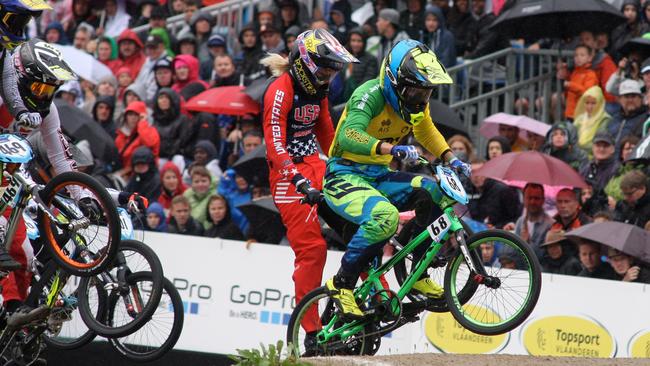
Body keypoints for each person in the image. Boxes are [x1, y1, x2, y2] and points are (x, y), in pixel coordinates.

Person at [322, 39, 472, 320]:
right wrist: (391, 148)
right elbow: (347, 135)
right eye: (414, 91)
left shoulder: (415, 105)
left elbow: (427, 131)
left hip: (379, 175)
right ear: (393, 80)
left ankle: (416, 273)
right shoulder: (370, 95)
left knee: (433, 189)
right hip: (344, 174)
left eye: (425, 93)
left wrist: (451, 158)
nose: (419, 98)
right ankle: (341, 283)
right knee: (384, 216)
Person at [260, 29, 359, 336]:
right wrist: (297, 179)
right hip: (286, 174)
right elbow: (275, 145)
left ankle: (373, 296)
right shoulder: (280, 89)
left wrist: (351, 166)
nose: (331, 73)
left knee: (360, 226)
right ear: (307, 62)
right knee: (313, 249)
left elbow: (327, 133)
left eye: (334, 68)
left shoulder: (319, 89)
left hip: (316, 165)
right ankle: (312, 330)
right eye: (327, 66)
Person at [503, 183, 553, 259]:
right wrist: (508, 236)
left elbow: (544, 257)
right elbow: (511, 252)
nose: (532, 202)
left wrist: (526, 244)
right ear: (523, 199)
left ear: (543, 200)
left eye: (536, 198)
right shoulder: (520, 221)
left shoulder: (550, 224)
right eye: (529, 198)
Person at [556, 44, 599, 120]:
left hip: (583, 114)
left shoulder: (591, 74)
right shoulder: (575, 72)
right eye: (576, 55)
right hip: (571, 112)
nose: (578, 58)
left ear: (589, 58)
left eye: (582, 55)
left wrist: (570, 85)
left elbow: (587, 92)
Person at [606, 79, 648, 147]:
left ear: (641, 98)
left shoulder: (646, 120)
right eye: (626, 96)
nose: (630, 100)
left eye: (633, 96)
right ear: (619, 99)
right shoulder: (614, 119)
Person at [573, 86, 612, 153]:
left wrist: (579, 146)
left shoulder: (605, 119)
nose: (589, 107)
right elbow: (572, 137)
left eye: (593, 103)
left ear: (600, 103)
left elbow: (599, 142)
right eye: (587, 103)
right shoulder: (579, 119)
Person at [420, 5, 456, 69]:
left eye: (434, 20)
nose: (431, 23)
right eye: (428, 20)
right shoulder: (424, 35)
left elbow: (446, 61)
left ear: (440, 21)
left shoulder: (447, 36)